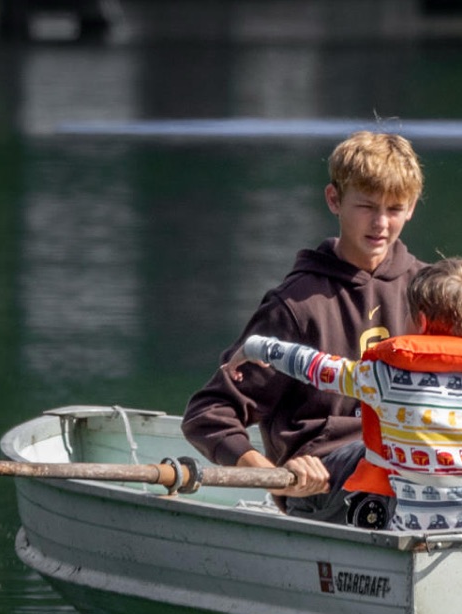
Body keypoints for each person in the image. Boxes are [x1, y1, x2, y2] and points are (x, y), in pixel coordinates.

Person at [182, 131, 424, 524]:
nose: (380, 223)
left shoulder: (429, 291)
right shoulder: (295, 304)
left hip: (412, 459)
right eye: (366, 206)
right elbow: (208, 413)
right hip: (324, 482)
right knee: (388, 458)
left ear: (411, 207)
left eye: (394, 208)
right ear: (334, 200)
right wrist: (272, 477)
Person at [233, 258, 462, 533]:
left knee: (383, 456)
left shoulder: (383, 378)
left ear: (420, 322)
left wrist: (256, 347)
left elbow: (314, 366)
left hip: (411, 528)